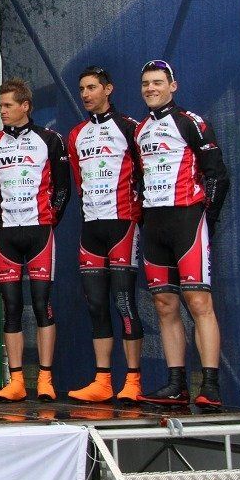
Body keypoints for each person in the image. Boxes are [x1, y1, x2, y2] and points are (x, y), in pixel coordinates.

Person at [135, 60, 228, 408]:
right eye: (146, 83)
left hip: (188, 218)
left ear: (172, 86)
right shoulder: (140, 130)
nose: (151, 88)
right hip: (155, 224)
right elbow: (139, 180)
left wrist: (207, 219)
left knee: (199, 301)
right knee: (164, 304)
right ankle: (176, 384)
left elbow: (217, 175)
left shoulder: (191, 122)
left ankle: (210, 385)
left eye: (158, 82)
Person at [0, 78, 70, 402]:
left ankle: (45, 379)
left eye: (8, 105)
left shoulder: (50, 139)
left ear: (25, 106)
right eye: (0, 105)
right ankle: (17, 381)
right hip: (6, 234)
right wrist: (2, 215)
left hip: (39, 232)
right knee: (12, 307)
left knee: (43, 305)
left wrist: (49, 218)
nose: (2, 111)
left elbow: (63, 188)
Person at [66, 67, 144, 403]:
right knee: (96, 304)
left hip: (122, 223)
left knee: (124, 301)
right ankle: (102, 381)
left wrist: (136, 212)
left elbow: (144, 173)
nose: (85, 94)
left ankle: (134, 381)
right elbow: (78, 180)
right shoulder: (76, 134)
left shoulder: (130, 128)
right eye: (82, 89)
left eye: (92, 88)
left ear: (108, 89)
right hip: (91, 227)